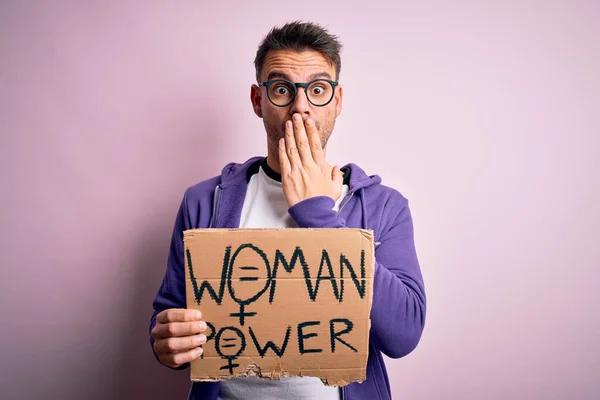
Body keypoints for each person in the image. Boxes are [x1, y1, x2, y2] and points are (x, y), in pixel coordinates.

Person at [150, 21, 426, 400]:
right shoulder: (203, 201)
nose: (301, 106)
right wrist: (168, 343)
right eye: (282, 89)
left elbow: (403, 334)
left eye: (317, 90)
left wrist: (318, 215)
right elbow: (170, 316)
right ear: (257, 100)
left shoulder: (384, 207)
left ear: (338, 101)